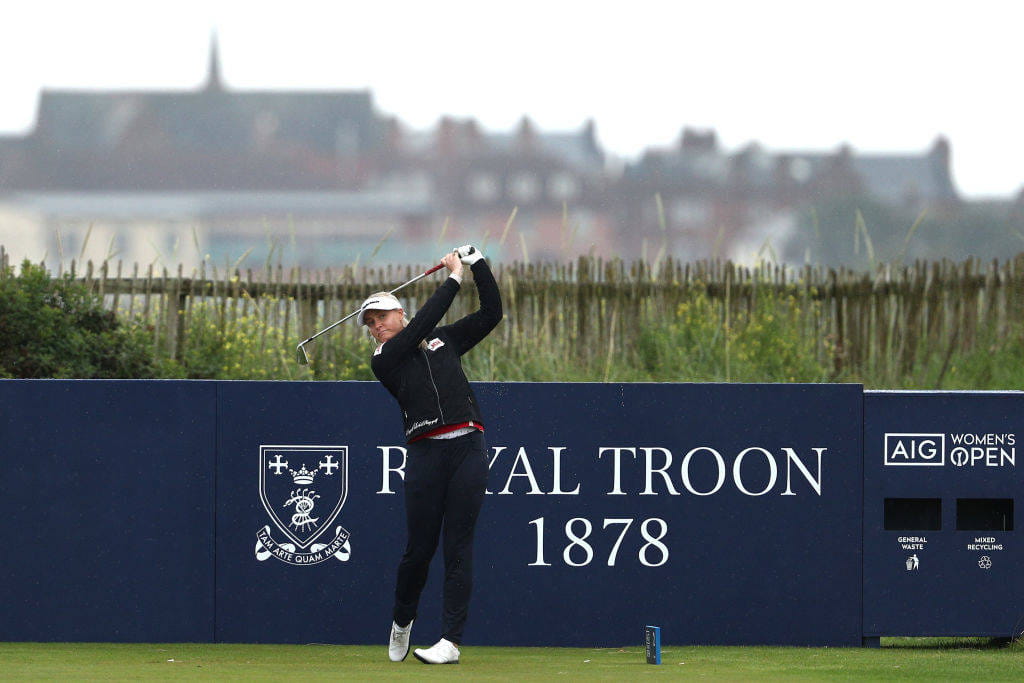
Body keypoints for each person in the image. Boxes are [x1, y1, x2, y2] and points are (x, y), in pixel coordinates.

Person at [359, 244, 502, 665]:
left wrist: (476, 264)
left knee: (458, 545)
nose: (376, 327)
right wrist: (453, 278)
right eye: (370, 323)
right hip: (425, 455)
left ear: (398, 314)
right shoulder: (385, 359)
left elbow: (491, 313)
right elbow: (425, 320)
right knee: (419, 552)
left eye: (382, 318)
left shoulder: (446, 340)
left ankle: (450, 642)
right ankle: (403, 620)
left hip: (466, 447)